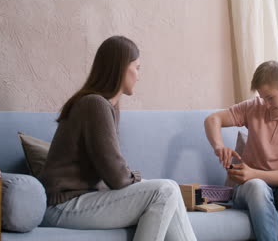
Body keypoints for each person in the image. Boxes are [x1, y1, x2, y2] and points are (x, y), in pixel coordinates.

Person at [39, 35, 197, 241]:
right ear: (122, 67)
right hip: (62, 206)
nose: (139, 76)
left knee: (170, 189)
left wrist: (134, 179)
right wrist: (137, 177)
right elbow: (117, 176)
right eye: (137, 68)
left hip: (81, 200)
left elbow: (114, 176)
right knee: (165, 190)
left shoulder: (102, 105)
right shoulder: (95, 105)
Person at [204, 60, 278, 241]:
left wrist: (253, 173)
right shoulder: (254, 107)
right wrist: (219, 146)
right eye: (263, 98)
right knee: (257, 186)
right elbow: (213, 119)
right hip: (248, 189)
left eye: (270, 98)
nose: (266, 104)